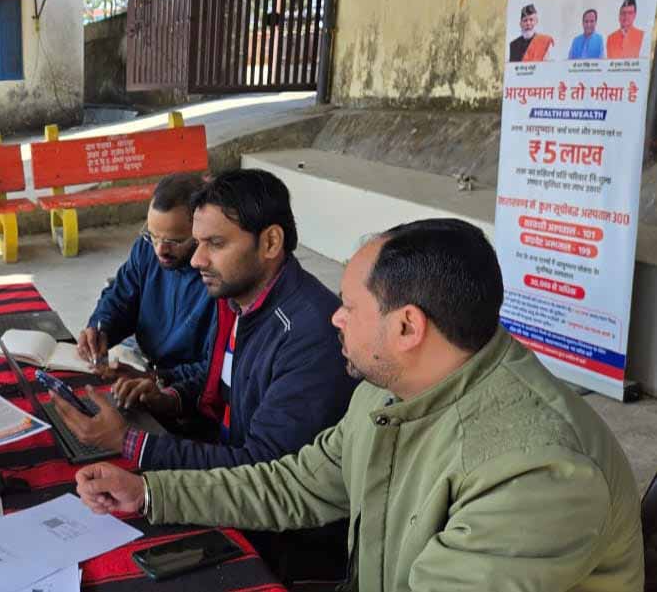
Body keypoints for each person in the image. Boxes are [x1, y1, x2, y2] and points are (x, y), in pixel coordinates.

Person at [75, 218, 643, 591]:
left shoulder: (535, 472)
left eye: (350, 307)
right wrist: (149, 492)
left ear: (407, 327)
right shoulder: (385, 386)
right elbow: (295, 485)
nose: (334, 318)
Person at [52, 170, 355, 472]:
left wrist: (130, 442)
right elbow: (223, 380)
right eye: (197, 243)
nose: (197, 260)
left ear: (271, 243)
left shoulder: (309, 336)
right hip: (223, 452)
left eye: (215, 243)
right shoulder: (240, 301)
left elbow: (264, 469)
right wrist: (167, 398)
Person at [75, 173, 216, 390]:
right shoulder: (146, 248)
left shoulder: (219, 278)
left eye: (174, 241)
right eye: (154, 236)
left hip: (186, 389)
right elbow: (120, 297)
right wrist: (100, 328)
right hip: (147, 363)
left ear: (202, 232)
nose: (160, 250)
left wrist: (158, 378)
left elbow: (216, 369)